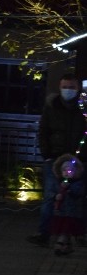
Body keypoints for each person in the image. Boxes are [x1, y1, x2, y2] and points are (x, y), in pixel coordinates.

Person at [29, 73, 86, 246]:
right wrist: (46, 154)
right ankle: (45, 232)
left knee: (76, 196)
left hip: (79, 159)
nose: (68, 90)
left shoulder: (83, 109)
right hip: (54, 158)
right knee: (51, 196)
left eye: (72, 87)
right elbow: (44, 130)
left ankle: (74, 232)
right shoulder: (52, 107)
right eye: (65, 87)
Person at [49, 154, 85, 256]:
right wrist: (56, 196)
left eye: (70, 171)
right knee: (64, 230)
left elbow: (78, 193)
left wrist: (69, 189)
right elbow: (52, 192)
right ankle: (67, 247)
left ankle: (59, 245)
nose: (67, 173)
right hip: (61, 212)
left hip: (72, 213)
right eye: (64, 170)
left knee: (66, 230)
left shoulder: (77, 183)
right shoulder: (58, 183)